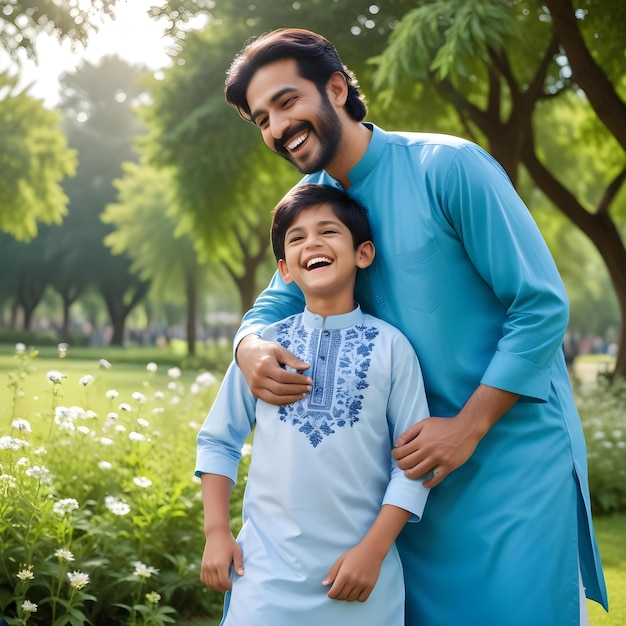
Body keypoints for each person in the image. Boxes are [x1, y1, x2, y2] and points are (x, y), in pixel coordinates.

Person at [223, 28, 608, 626]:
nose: (276, 127)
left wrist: (469, 426)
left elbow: (539, 305)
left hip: (509, 457)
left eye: (286, 101)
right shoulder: (311, 207)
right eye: (261, 118)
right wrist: (248, 347)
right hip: (408, 477)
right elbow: (270, 307)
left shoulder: (449, 166)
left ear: (335, 87)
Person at [195, 184, 431, 626]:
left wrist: (374, 551)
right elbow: (218, 440)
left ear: (363, 253)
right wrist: (216, 532)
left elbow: (414, 464)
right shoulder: (261, 352)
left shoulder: (393, 349)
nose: (313, 244)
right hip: (264, 576)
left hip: (360, 577)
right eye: (297, 238)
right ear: (284, 269)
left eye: (328, 231)